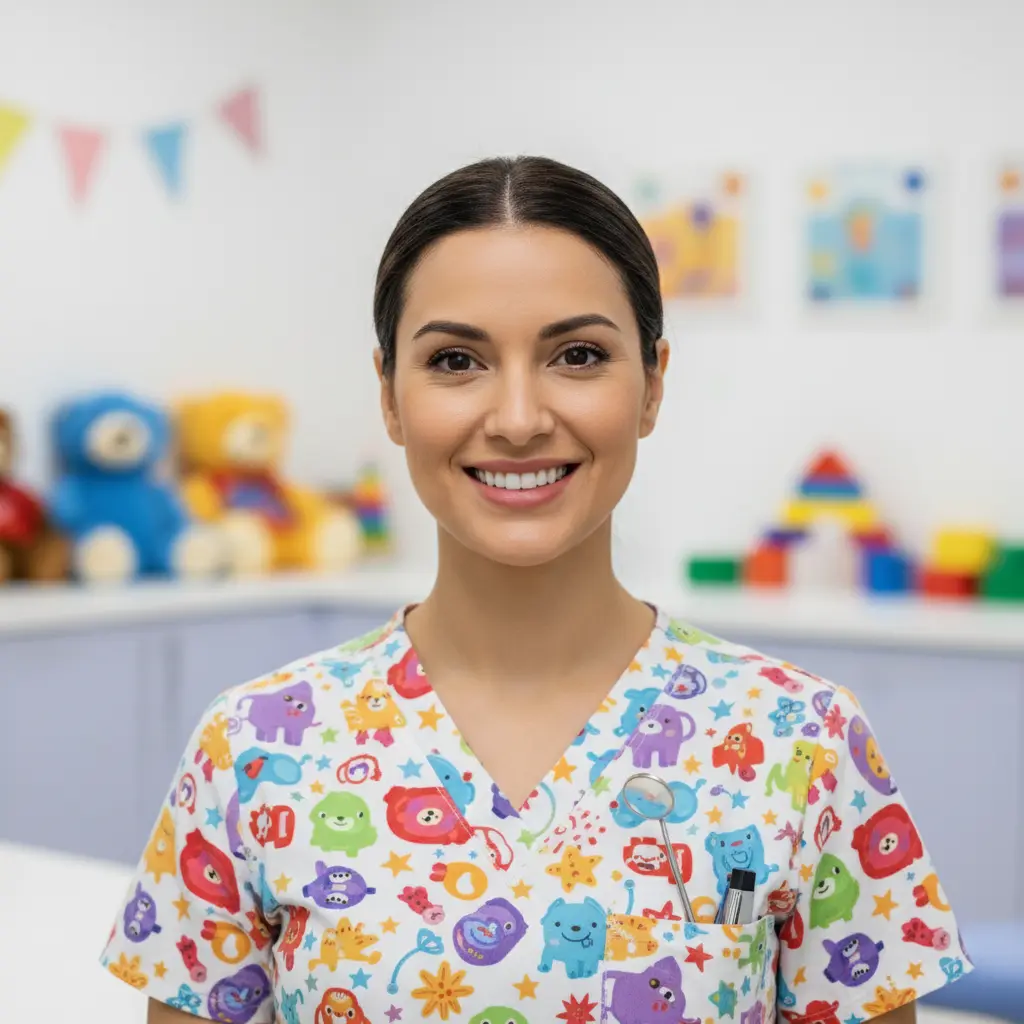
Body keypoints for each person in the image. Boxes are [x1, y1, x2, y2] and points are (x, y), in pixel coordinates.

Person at [102, 156, 971, 1024]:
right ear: (390, 397)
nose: (518, 419)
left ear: (653, 384)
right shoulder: (250, 751)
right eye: (454, 360)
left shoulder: (805, 744)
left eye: (578, 355)